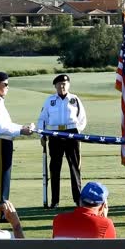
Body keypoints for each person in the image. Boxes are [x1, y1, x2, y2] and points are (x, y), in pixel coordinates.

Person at [0, 72, 33, 221]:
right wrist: (22, 131)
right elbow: (1, 128)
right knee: (1, 178)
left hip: (4, 141)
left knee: (5, 177)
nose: (7, 87)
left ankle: (2, 209)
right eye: (5, 84)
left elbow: (8, 124)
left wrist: (22, 127)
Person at [37, 74, 87, 209]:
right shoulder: (50, 100)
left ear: (69, 85)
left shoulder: (74, 99)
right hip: (55, 135)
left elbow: (82, 118)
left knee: (75, 167)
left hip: (72, 134)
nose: (62, 86)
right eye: (59, 84)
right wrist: (42, 135)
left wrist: (78, 132)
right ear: (55, 86)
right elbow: (42, 119)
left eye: (64, 84)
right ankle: (55, 201)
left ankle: (78, 200)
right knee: (54, 168)